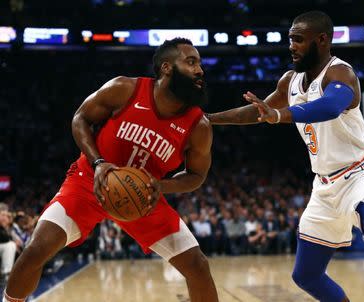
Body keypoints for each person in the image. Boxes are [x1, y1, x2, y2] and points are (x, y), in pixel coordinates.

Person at [207, 11, 364, 302]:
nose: (291, 46)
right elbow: (256, 113)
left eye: (298, 39)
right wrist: (208, 119)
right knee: (305, 275)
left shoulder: (340, 73)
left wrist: (279, 115)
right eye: (290, 39)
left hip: (360, 175)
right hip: (324, 186)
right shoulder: (289, 81)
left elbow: (330, 107)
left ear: (321, 40)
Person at [4, 38, 219, 302]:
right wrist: (98, 162)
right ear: (167, 67)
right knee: (36, 249)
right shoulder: (125, 89)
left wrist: (161, 186)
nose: (200, 70)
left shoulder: (199, 126)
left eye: (199, 63)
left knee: (198, 266)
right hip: (88, 182)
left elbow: (197, 176)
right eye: (191, 61)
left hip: (142, 197)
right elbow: (80, 118)